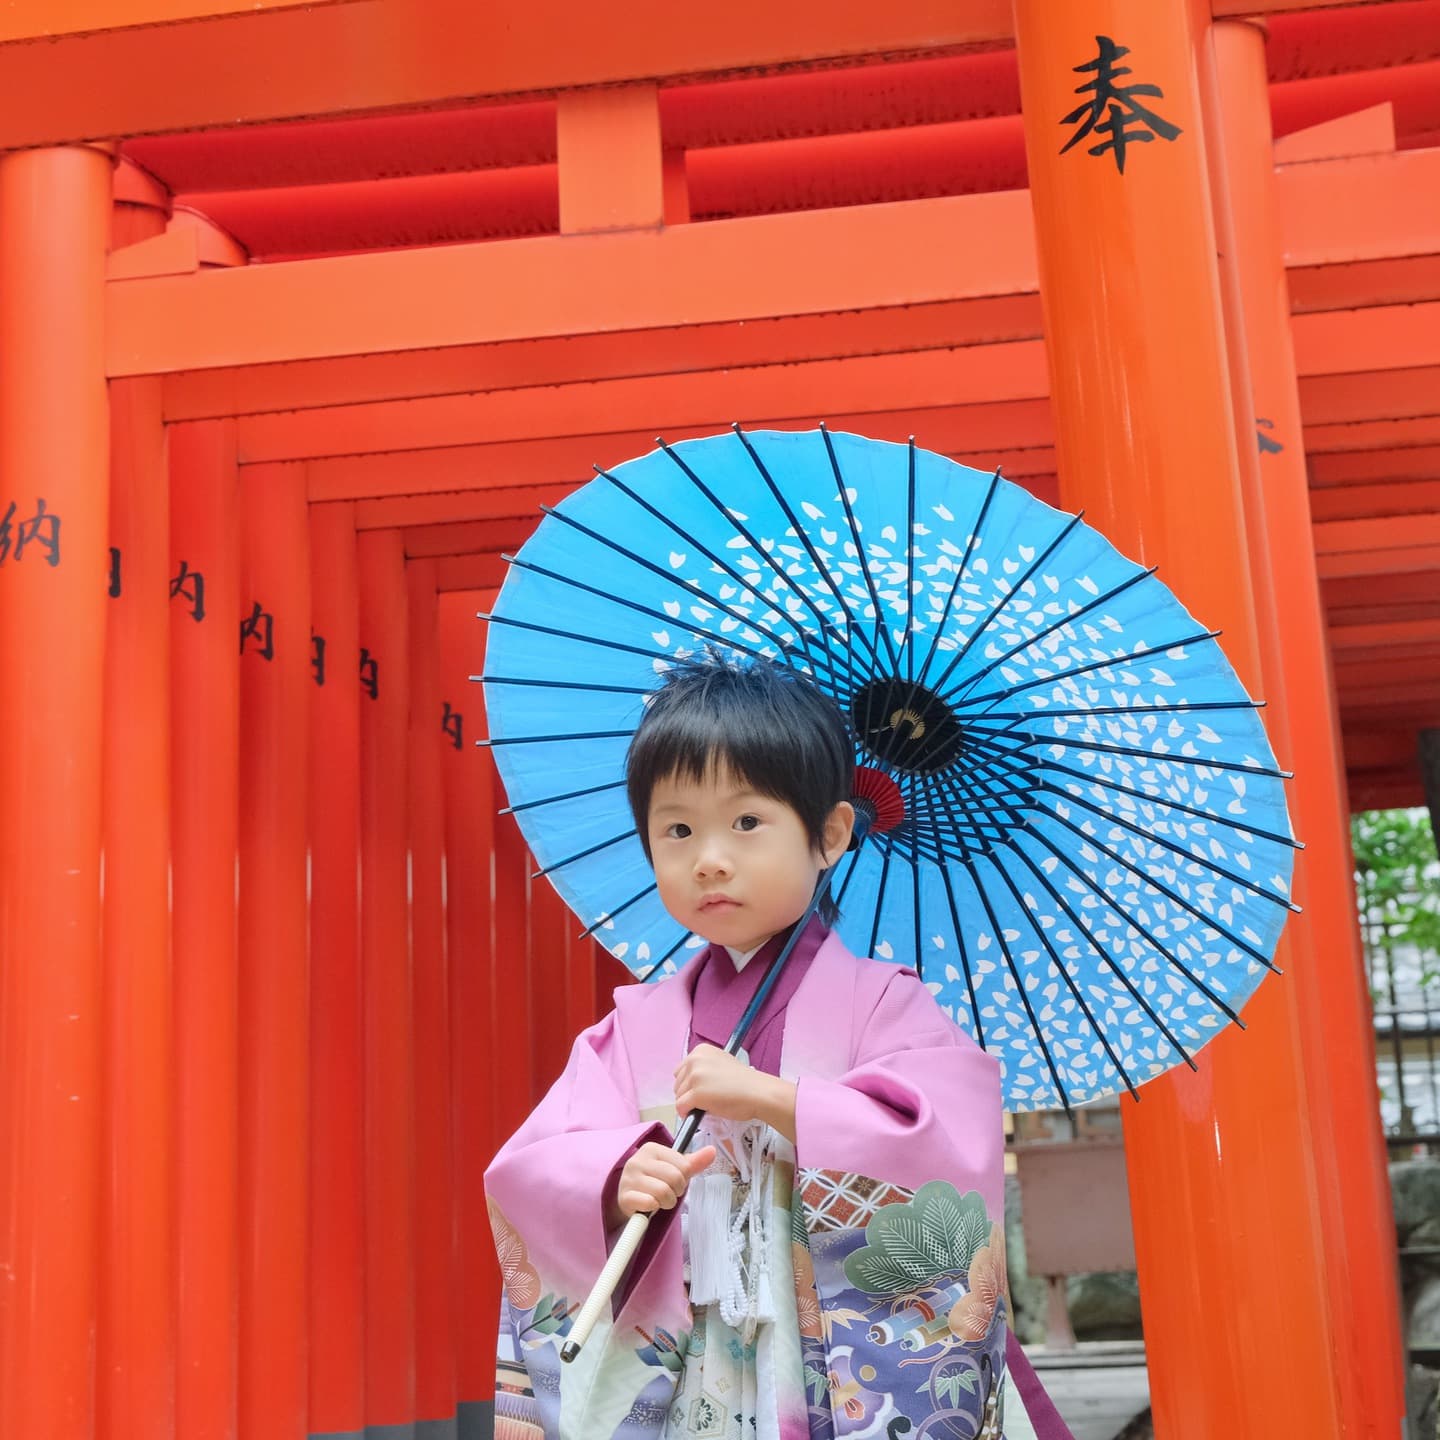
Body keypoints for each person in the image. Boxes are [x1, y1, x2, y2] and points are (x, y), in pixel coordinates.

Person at [485, 654, 1055, 1440]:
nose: (709, 857)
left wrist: (779, 1101)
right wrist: (618, 1175)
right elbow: (533, 1165)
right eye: (677, 829)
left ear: (830, 834)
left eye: (746, 822)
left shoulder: (885, 1004)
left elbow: (948, 1142)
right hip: (684, 1351)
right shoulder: (631, 1027)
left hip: (822, 1352)